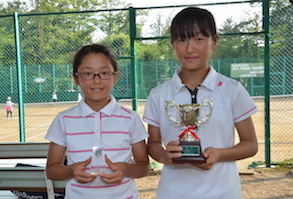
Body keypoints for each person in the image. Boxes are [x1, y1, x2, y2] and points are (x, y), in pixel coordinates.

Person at [143, 7, 258, 199]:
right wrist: (165, 156)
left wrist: (219, 154)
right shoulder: (158, 94)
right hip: (173, 193)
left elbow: (250, 144)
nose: (190, 49)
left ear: (215, 41)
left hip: (223, 193)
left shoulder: (232, 89)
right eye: (181, 40)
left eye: (199, 39)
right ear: (172, 44)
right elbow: (153, 143)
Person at [45, 44, 150, 199]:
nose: (96, 80)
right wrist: (71, 170)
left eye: (104, 73)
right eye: (88, 73)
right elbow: (51, 171)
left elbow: (144, 167)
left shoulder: (130, 118)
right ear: (76, 78)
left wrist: (125, 169)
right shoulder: (64, 119)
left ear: (114, 77)